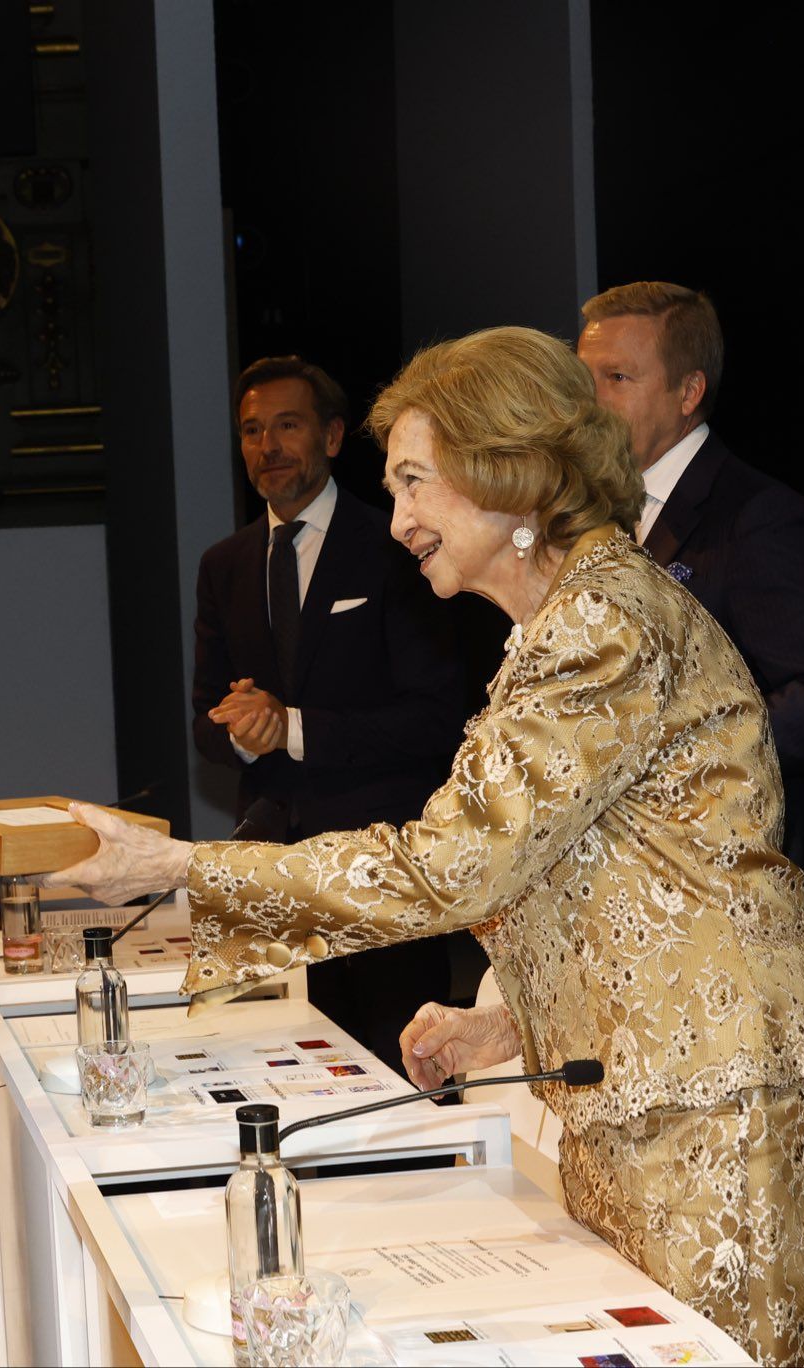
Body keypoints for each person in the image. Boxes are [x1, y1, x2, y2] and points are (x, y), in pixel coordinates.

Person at [49, 327, 804, 1366]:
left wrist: (175, 869)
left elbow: (458, 861)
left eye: (413, 485)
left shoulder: (600, 621)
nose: (396, 524)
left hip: (712, 1088)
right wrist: (510, 1027)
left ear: (507, 472)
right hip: (658, 1079)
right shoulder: (567, 619)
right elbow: (606, 871)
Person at [575, 282, 804, 974]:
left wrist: (670, 746)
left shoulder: (756, 516)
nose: (588, 401)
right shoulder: (594, 514)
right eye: (582, 378)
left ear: (688, 393)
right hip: (635, 902)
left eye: (616, 378)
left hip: (741, 907)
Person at [192, 355, 479, 1076]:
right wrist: (244, 734)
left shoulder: (398, 545)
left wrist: (289, 726)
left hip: (382, 870)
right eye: (251, 430)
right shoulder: (223, 565)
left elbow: (438, 718)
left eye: (287, 426)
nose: (267, 446)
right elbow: (203, 720)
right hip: (276, 877)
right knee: (289, 1080)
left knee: (397, 1079)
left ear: (330, 437)